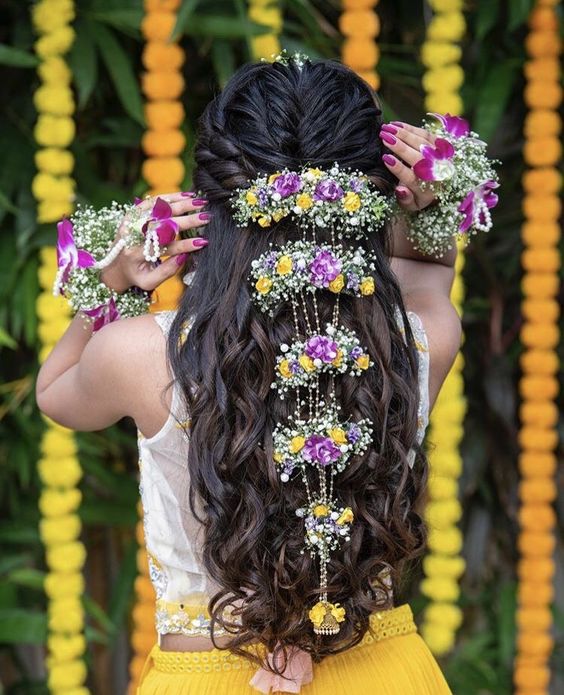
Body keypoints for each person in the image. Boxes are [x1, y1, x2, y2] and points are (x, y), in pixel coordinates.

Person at [37, 58, 462, 694]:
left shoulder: (137, 354)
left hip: (207, 678)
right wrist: (434, 203)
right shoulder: (416, 342)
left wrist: (114, 279)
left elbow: (55, 392)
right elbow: (427, 272)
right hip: (383, 672)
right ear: (373, 201)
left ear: (212, 205)